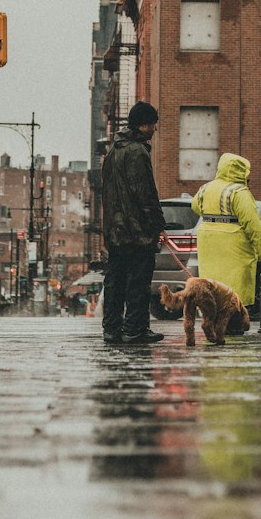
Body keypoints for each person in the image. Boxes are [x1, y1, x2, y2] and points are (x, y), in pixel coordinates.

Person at [100, 101, 167, 344]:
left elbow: (106, 192)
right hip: (137, 230)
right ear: (143, 125)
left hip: (115, 230)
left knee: (115, 280)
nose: (155, 129)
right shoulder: (137, 151)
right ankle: (135, 329)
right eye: (153, 124)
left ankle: (112, 329)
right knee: (138, 281)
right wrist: (158, 224)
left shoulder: (113, 151)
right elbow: (146, 193)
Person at [191, 153, 261, 311]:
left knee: (213, 284)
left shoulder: (205, 188)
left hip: (208, 242)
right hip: (234, 245)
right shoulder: (239, 192)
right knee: (236, 286)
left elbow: (195, 206)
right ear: (240, 172)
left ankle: (214, 318)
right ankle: (234, 322)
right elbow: (252, 223)